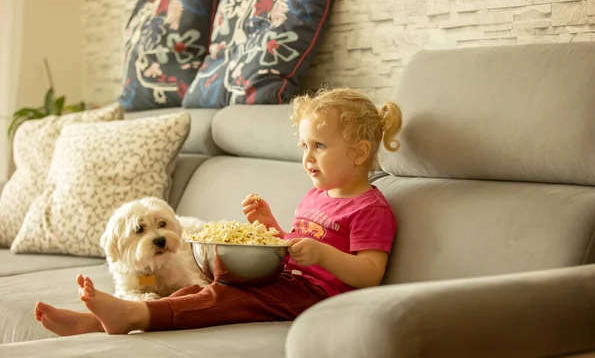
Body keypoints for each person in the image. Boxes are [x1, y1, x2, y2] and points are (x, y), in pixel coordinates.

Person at [34, 87, 403, 336]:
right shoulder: (317, 196)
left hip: (317, 297)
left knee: (224, 298)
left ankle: (131, 315)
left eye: (319, 146)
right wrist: (271, 228)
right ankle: (102, 321)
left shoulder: (370, 209)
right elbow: (296, 246)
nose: (307, 157)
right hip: (289, 282)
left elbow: (370, 273)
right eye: (303, 145)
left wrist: (321, 252)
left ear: (357, 152)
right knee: (214, 285)